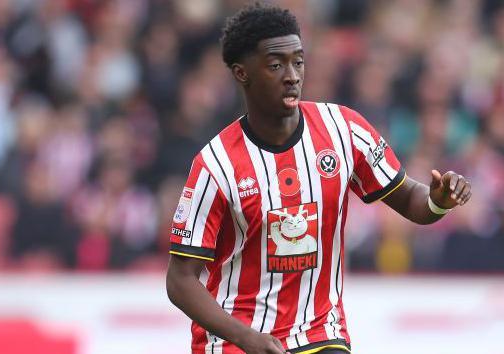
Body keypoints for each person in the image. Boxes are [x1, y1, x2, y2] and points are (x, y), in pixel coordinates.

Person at [165, 4, 472, 354]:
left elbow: (409, 200)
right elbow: (180, 280)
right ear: (242, 73)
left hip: (319, 331)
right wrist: (247, 338)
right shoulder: (215, 164)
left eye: (298, 61)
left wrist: (438, 200)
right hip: (236, 341)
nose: (292, 75)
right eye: (275, 64)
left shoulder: (344, 130)